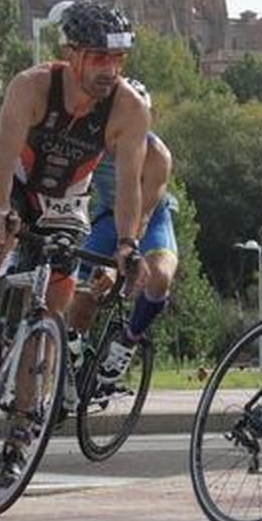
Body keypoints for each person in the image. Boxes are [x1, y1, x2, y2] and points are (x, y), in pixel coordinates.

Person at [0, 0, 150, 372]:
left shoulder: (129, 108)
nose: (110, 70)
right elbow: (3, 156)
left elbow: (129, 183)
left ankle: (24, 420)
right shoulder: (31, 87)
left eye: (118, 59)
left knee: (54, 302)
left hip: (66, 198)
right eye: (99, 57)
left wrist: (127, 243)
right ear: (71, 54)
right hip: (16, 183)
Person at [65, 118, 180, 392]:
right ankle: (74, 355)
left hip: (150, 220)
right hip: (108, 218)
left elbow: (142, 218)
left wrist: (120, 265)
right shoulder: (91, 141)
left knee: (160, 276)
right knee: (79, 293)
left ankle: (128, 341)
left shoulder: (157, 155)